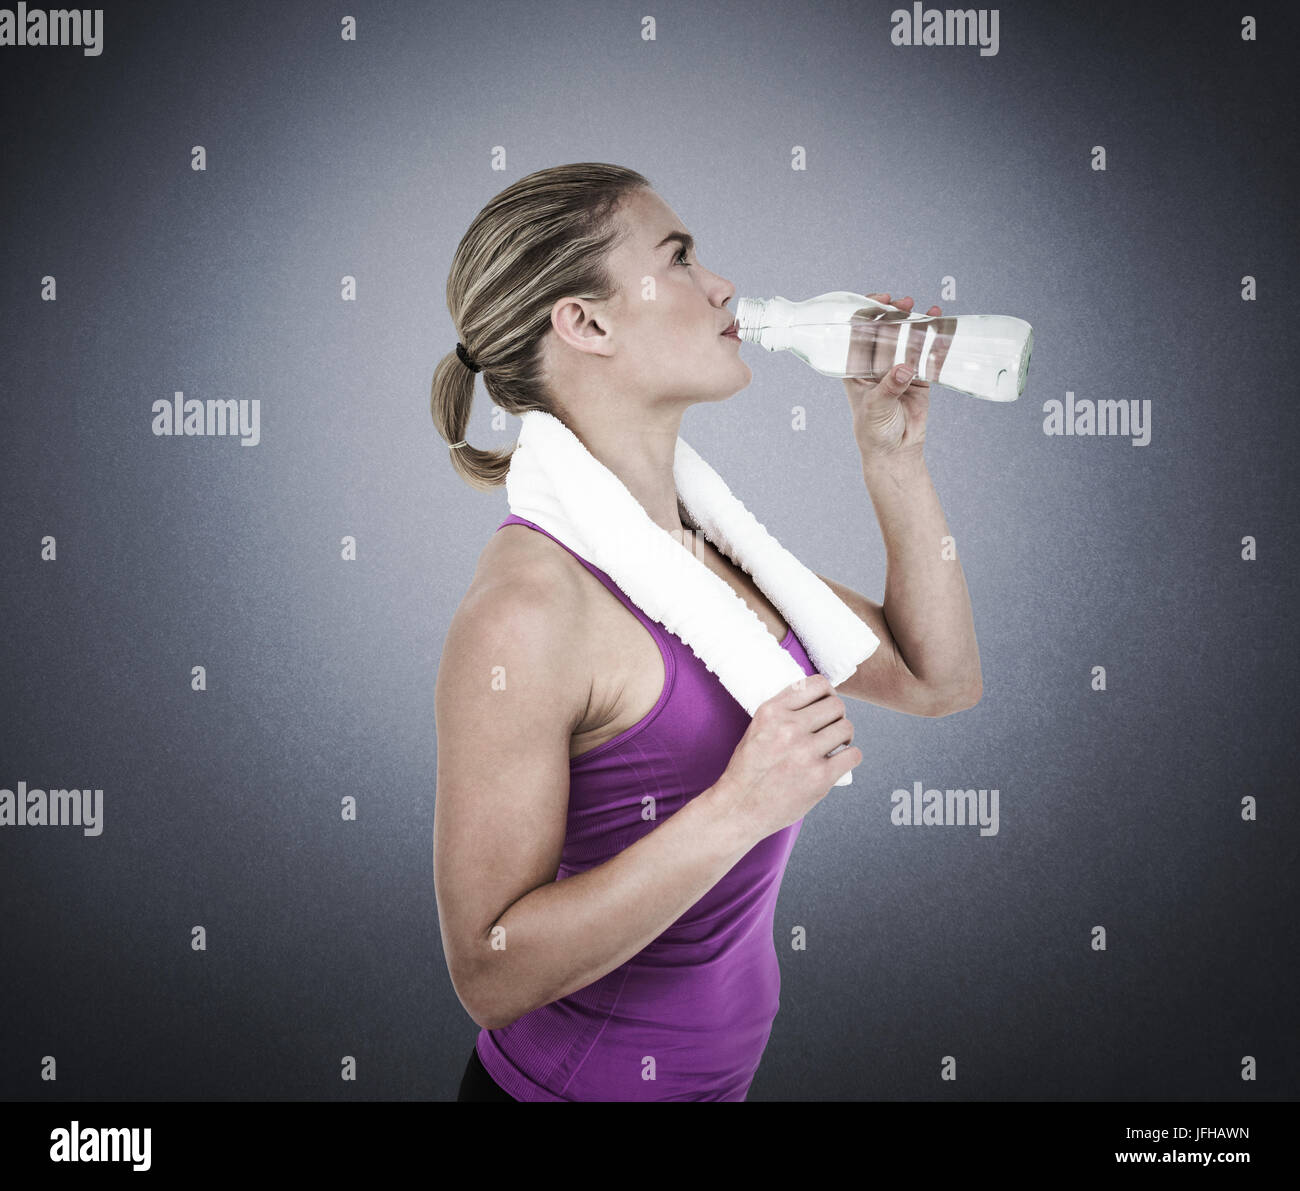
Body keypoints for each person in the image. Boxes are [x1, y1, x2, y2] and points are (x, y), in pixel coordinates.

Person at [431, 162, 983, 1101]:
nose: (722, 285)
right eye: (679, 258)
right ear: (587, 322)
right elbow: (490, 975)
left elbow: (938, 681)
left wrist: (893, 457)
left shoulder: (708, 552)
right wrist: (739, 806)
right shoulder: (528, 611)